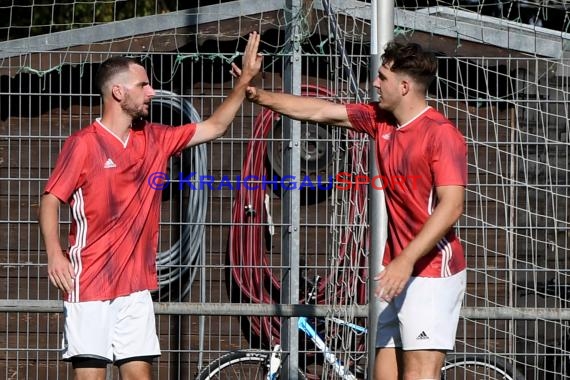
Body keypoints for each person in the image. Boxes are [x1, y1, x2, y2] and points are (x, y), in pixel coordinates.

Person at [234, 41, 467, 379]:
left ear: (404, 86)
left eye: (382, 77)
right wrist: (256, 94)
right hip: (396, 271)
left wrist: (405, 260)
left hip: (431, 272)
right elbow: (318, 111)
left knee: (419, 374)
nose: (375, 83)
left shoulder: (441, 134)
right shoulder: (380, 120)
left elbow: (452, 207)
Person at [38, 32, 262, 380]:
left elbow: (215, 126)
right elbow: (51, 200)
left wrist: (244, 81)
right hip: (91, 284)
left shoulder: (156, 138)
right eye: (143, 85)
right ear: (118, 92)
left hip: (136, 288)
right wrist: (55, 253)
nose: (152, 91)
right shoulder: (83, 145)